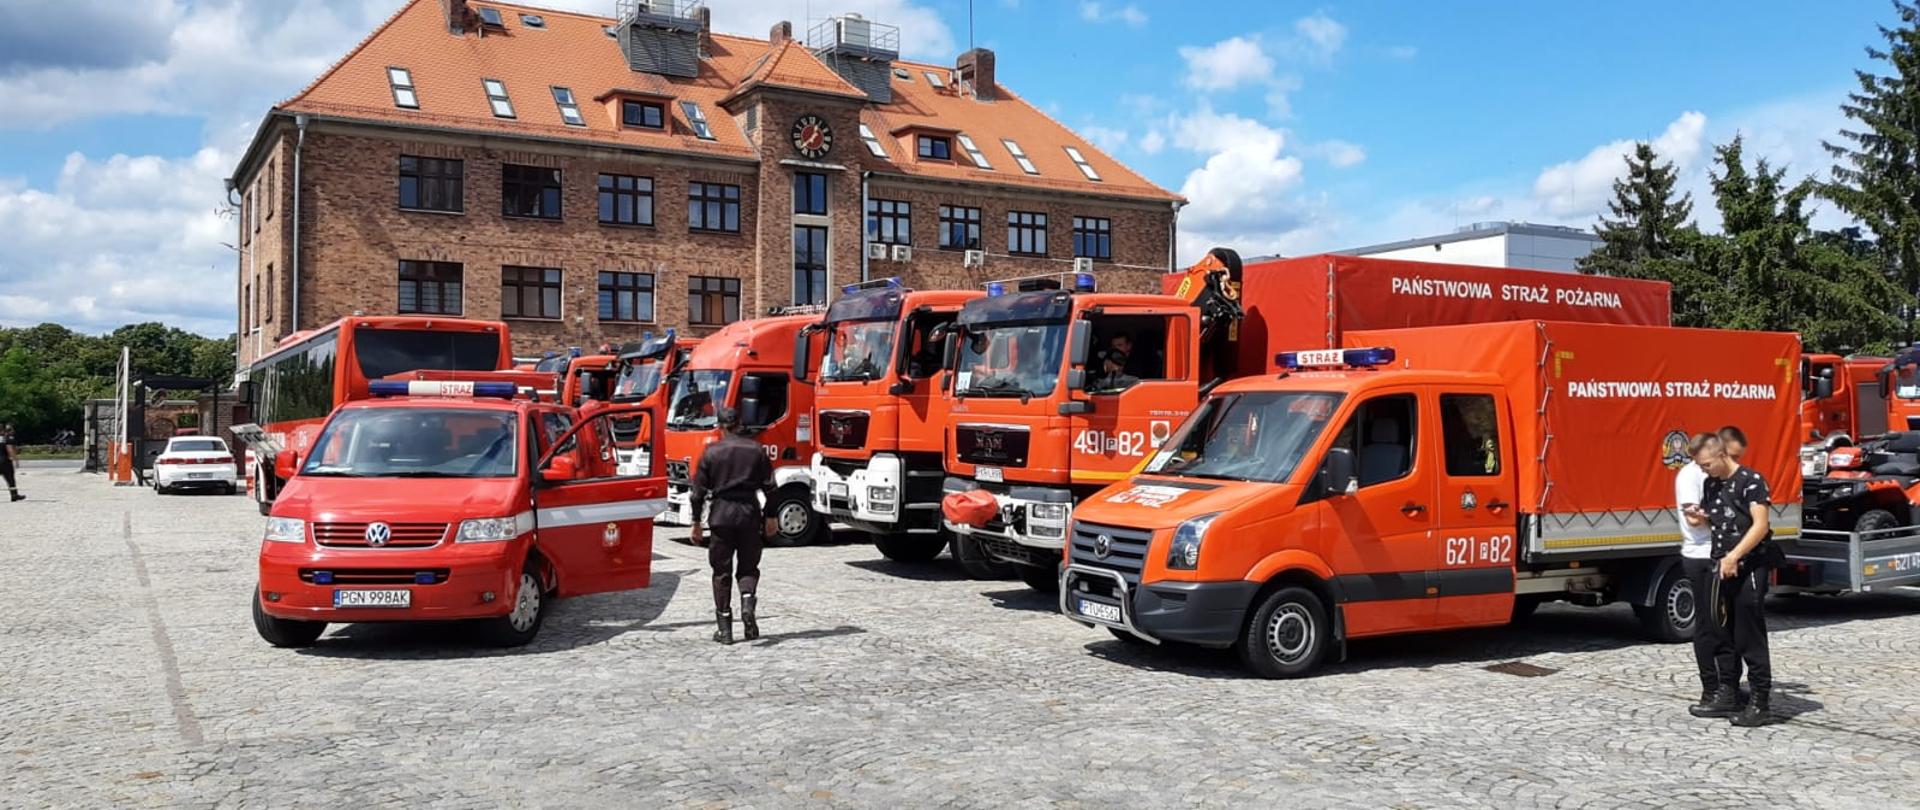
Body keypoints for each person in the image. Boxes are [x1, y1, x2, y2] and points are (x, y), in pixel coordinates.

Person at [1690, 428, 1782, 726]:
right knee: (1722, 633)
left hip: (1748, 567)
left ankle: (1760, 702)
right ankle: (1727, 692)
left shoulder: (1751, 481)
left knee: (1749, 635)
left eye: (1706, 464)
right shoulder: (1711, 485)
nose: (1704, 470)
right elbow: (1720, 523)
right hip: (1721, 567)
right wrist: (1700, 519)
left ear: (1720, 454)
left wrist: (1735, 556)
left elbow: (1760, 526)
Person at [689, 407, 776, 645]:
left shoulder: (711, 452)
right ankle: (747, 602)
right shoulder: (756, 450)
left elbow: (697, 493)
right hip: (749, 514)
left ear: (719, 426)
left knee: (721, 572)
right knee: (748, 568)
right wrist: (770, 517)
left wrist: (696, 522)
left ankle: (725, 630)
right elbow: (771, 487)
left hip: (721, 516)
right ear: (739, 424)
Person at [1679, 433, 1734, 715]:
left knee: (1721, 624)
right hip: (1702, 556)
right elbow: (1692, 517)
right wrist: (1726, 517)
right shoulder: (1691, 476)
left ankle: (1727, 687)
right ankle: (1711, 689)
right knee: (1709, 626)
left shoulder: (1711, 475)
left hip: (1715, 554)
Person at [0, 423, 21, 502]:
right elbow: (10, 450)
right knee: (10, 479)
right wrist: (16, 460)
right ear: (3, 430)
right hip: (4, 461)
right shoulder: (6, 439)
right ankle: (14, 495)